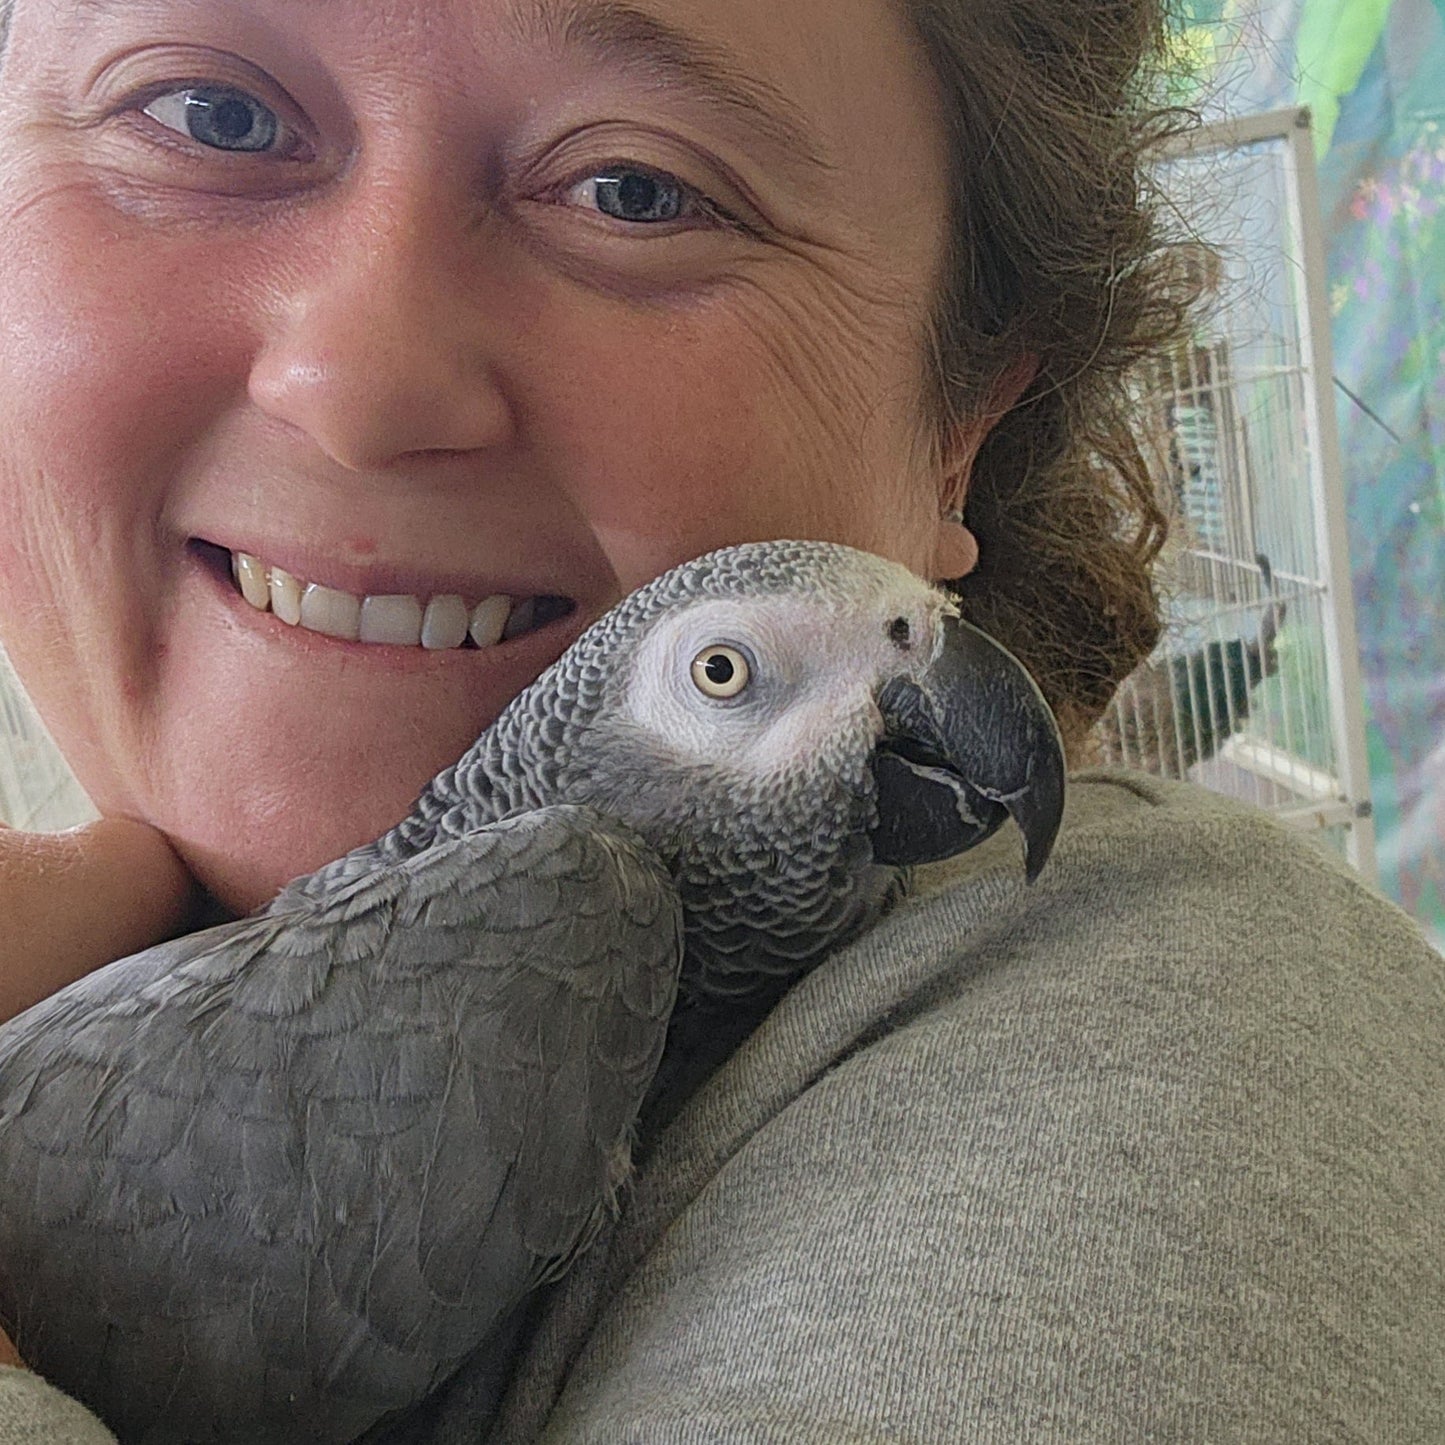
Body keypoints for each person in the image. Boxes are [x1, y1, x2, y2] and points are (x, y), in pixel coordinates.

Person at [0, 0, 1441, 1439]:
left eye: (638, 190)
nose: (357, 387)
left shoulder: (1165, 1044)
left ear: (962, 430)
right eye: (205, 115)